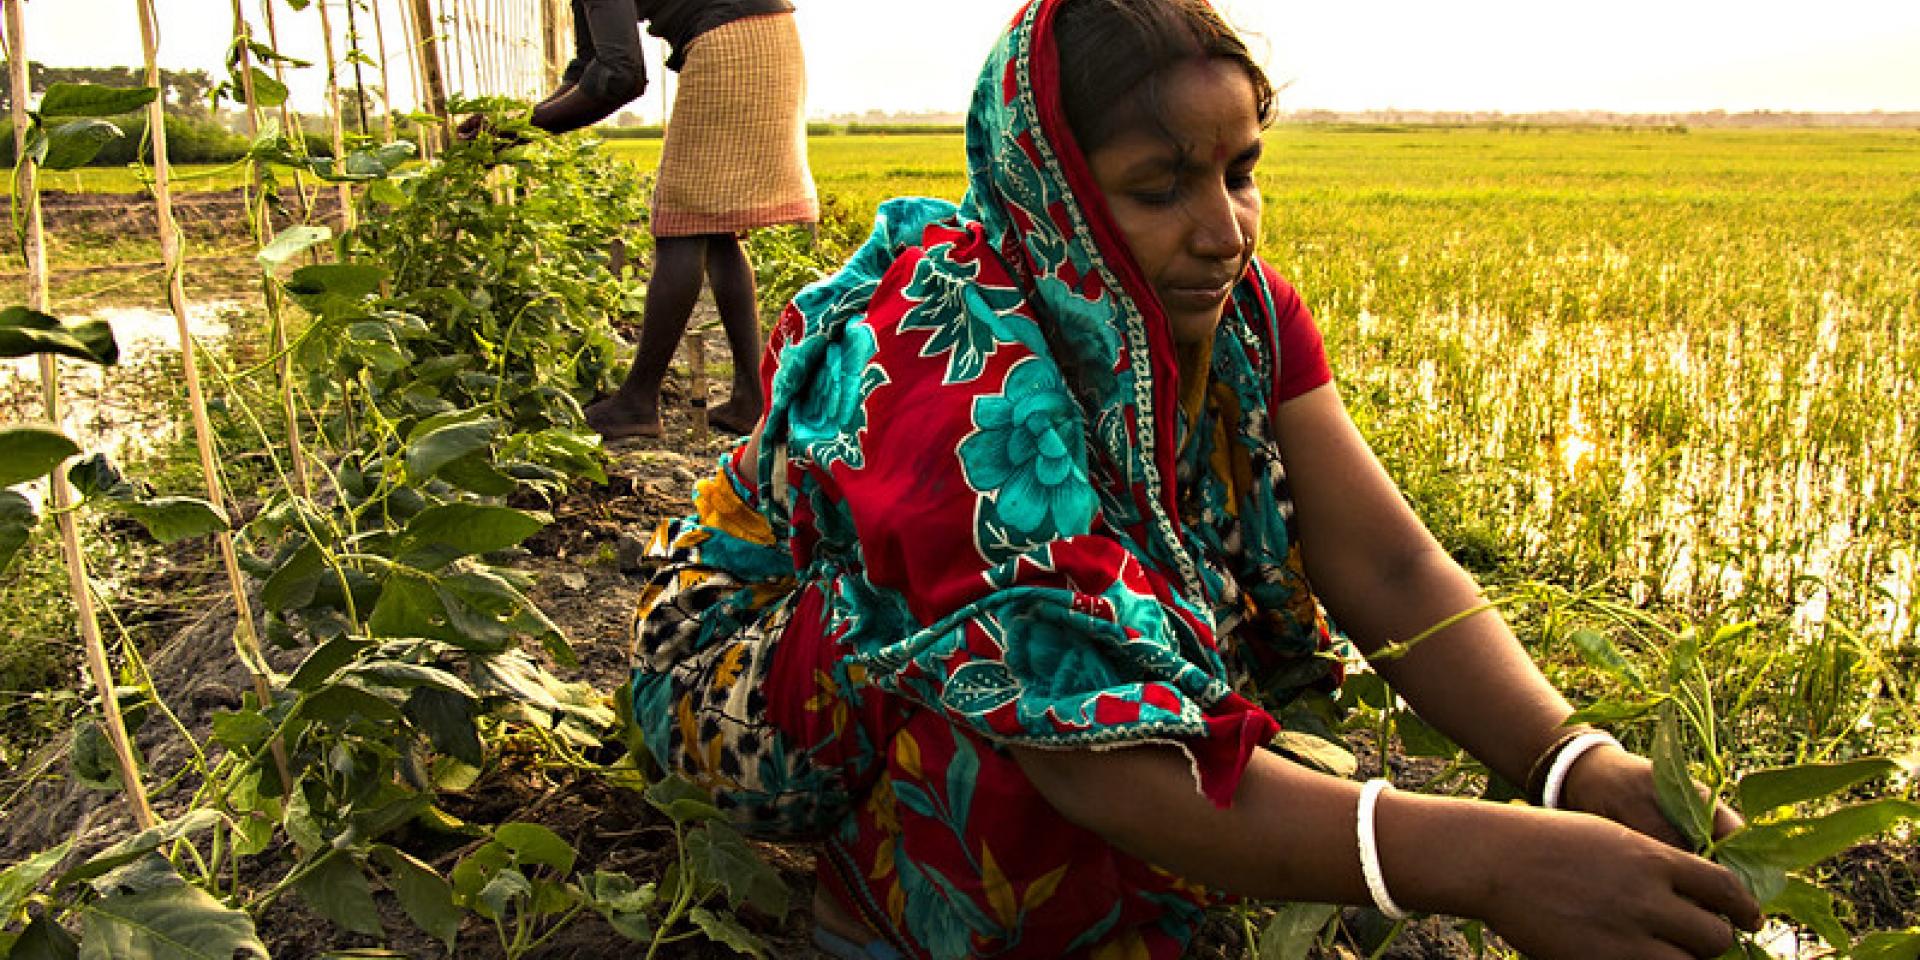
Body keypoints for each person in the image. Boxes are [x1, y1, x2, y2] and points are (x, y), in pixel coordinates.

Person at [622, 1, 1764, 957]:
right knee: (1023, 702)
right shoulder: (942, 363)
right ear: (1053, 186)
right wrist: (1485, 859)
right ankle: (879, 904)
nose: (1226, 230)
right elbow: (1085, 736)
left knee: (1138, 669)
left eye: (1241, 171)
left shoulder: (1244, 314)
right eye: (1161, 185)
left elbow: (1386, 559)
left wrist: (1568, 762)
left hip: (1004, 662)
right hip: (749, 671)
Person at [464, 0, 818, 438]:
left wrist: (517, 128)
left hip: (732, 43)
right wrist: (518, 124)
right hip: (767, 36)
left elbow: (621, 77)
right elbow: (589, 67)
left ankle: (638, 400)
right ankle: (751, 398)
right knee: (715, 227)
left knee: (681, 225)